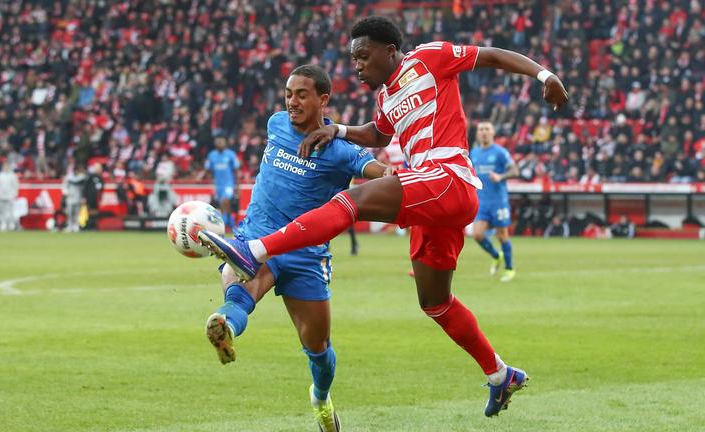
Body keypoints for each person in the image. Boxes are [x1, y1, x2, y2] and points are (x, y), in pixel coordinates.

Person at [199, 16, 568, 418]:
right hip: (432, 201)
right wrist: (338, 129)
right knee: (435, 303)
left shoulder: (429, 57)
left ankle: (253, 251)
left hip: (447, 175)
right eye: (353, 58)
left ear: (389, 51)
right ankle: (500, 375)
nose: (357, 65)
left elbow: (493, 56)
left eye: (363, 55)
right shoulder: (386, 97)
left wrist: (543, 74)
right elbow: (379, 134)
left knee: (350, 203)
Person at [203, 65, 387, 432]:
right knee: (242, 288)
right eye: (288, 94)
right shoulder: (275, 124)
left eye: (302, 94)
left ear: (323, 99)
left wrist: (400, 179)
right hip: (255, 239)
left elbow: (379, 173)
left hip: (305, 253)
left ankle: (320, 399)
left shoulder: (341, 150)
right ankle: (225, 326)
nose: (292, 101)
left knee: (318, 348)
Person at [470, 121, 519, 282]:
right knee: (477, 235)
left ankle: (510, 268)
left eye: (487, 129)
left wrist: (501, 176)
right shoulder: (474, 153)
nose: (484, 132)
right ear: (477, 134)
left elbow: (514, 170)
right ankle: (496, 255)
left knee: (502, 235)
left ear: (493, 133)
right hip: (481, 202)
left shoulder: (500, 152)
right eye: (481, 130)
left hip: (498, 201)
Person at [205, 134, 240, 231]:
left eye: (221, 140)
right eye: (218, 141)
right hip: (218, 185)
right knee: (221, 205)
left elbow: (236, 170)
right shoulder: (212, 155)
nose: (219, 142)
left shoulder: (231, 154)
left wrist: (237, 186)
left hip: (229, 184)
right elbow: (208, 170)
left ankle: (228, 223)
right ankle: (229, 222)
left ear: (225, 142)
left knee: (225, 201)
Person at [0, 161, 19, 231]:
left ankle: (11, 224)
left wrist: (15, 194)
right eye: (5, 166)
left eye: (7, 166)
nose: (6, 168)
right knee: (1, 211)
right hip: (1, 195)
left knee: (10, 211)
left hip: (10, 195)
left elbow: (15, 185)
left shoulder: (13, 175)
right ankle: (2, 223)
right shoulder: (0, 175)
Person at [62, 165, 86, 232]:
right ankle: (69, 226)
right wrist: (66, 193)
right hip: (70, 198)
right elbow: (64, 187)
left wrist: (83, 197)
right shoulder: (69, 177)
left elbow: (83, 188)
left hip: (78, 197)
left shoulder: (82, 178)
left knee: (77, 213)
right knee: (69, 213)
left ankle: (76, 226)